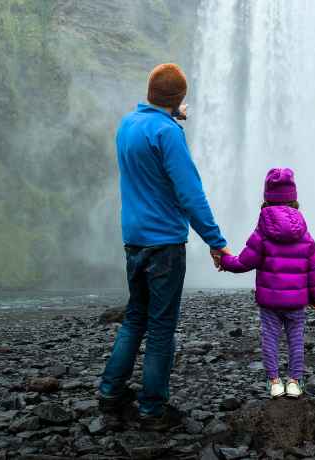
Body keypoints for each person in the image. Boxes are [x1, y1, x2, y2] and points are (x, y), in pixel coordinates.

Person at [98, 63, 232, 431]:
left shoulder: (129, 124)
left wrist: (172, 114)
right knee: (161, 328)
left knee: (135, 317)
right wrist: (216, 242)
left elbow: (152, 135)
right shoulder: (168, 132)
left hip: (134, 239)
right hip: (164, 244)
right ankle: (153, 410)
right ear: (177, 101)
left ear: (149, 93)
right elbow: (190, 194)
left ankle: (110, 393)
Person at [219, 168, 315, 398]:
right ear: (294, 200)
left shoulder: (262, 230)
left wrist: (225, 261)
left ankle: (274, 382)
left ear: (266, 199)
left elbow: (246, 261)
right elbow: (312, 266)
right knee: (296, 340)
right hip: (296, 301)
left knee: (270, 339)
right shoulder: (305, 233)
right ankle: (295, 382)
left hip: (269, 301)